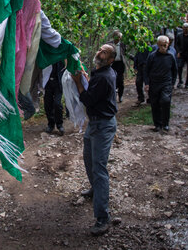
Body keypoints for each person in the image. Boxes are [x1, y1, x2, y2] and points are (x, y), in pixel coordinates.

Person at [72, 44, 118, 236]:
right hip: (95, 124)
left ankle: (103, 218)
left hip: (102, 126)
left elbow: (89, 99)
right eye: (99, 49)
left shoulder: (105, 77)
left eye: (104, 52)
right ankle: (95, 190)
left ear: (110, 60)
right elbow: (94, 88)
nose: (99, 52)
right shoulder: (101, 73)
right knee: (88, 159)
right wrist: (85, 76)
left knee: (99, 168)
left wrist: (78, 82)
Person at [144, 36, 177, 132]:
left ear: (168, 44)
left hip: (166, 83)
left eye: (165, 45)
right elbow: (146, 70)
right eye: (161, 45)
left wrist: (172, 83)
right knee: (155, 104)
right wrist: (147, 83)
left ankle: (165, 123)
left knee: (165, 101)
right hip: (154, 83)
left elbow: (175, 70)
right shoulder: (152, 56)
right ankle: (157, 124)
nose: (163, 47)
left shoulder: (170, 56)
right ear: (158, 45)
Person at [44, 60, 65, 135]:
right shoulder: (46, 53)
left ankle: (59, 125)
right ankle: (51, 124)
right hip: (47, 83)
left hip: (58, 83)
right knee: (48, 103)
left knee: (57, 103)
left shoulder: (61, 55)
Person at [175, 23, 188, 89]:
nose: (185, 29)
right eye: (184, 28)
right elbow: (177, 44)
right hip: (181, 53)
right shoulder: (179, 35)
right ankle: (180, 81)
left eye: (187, 28)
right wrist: (178, 52)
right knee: (179, 67)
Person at [110, 31, 127, 103]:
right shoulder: (109, 44)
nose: (118, 39)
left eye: (120, 37)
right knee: (112, 80)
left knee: (120, 81)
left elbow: (125, 53)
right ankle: (112, 96)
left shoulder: (123, 45)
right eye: (117, 37)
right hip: (112, 64)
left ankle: (120, 96)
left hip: (120, 64)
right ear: (113, 37)